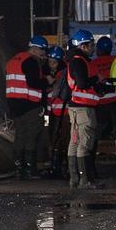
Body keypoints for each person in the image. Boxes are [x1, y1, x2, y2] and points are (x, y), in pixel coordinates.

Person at [64, 30, 106, 191]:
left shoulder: (74, 60)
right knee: (84, 144)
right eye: (91, 45)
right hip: (84, 109)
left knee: (74, 143)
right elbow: (82, 83)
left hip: (76, 108)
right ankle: (84, 180)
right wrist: (97, 79)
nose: (93, 48)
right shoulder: (79, 61)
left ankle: (74, 179)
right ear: (83, 46)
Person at [4, 35, 50, 179]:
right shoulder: (31, 61)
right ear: (34, 49)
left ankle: (19, 169)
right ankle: (31, 170)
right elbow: (33, 83)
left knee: (20, 135)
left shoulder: (12, 61)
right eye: (42, 50)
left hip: (14, 104)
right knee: (32, 136)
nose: (43, 54)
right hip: (30, 104)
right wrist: (47, 81)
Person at [90, 35, 116, 183]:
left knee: (95, 136)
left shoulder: (93, 63)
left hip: (101, 104)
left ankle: (91, 168)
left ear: (98, 50)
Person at [44, 45, 71, 177]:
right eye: (50, 62)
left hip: (64, 112)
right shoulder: (47, 74)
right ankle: (55, 164)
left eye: (54, 62)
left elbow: (57, 92)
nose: (52, 65)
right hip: (52, 112)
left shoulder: (63, 74)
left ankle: (62, 165)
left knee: (64, 137)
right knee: (53, 137)